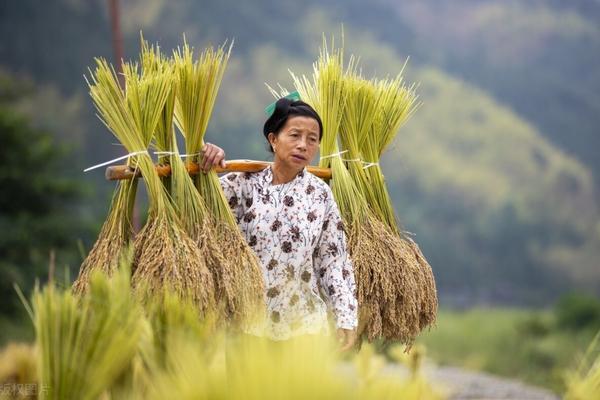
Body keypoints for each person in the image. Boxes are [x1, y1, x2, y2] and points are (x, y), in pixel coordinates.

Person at [200, 98, 358, 350]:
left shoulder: (320, 194)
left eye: (312, 139)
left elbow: (333, 261)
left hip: (304, 329)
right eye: (294, 135)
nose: (303, 145)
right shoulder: (243, 184)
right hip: (248, 327)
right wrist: (205, 157)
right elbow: (198, 207)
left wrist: (345, 316)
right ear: (273, 140)